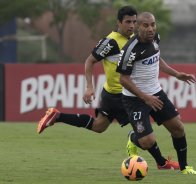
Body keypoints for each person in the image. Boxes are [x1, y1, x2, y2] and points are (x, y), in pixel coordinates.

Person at [37, 6, 179, 170]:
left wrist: (174, 73)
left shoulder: (138, 39)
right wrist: (89, 87)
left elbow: (155, 57)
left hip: (119, 94)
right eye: (127, 22)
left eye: (134, 22)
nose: (131, 26)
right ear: (118, 22)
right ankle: (160, 161)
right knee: (145, 137)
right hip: (121, 96)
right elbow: (89, 61)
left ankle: (57, 116)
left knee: (99, 126)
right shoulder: (110, 42)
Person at [116, 12, 196, 174]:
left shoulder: (155, 38)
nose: (150, 29)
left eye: (153, 24)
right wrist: (145, 97)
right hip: (135, 99)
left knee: (178, 128)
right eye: (146, 25)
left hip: (156, 93)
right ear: (138, 27)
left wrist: (176, 74)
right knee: (147, 141)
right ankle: (134, 138)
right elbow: (123, 80)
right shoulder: (130, 50)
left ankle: (184, 168)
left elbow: (157, 58)